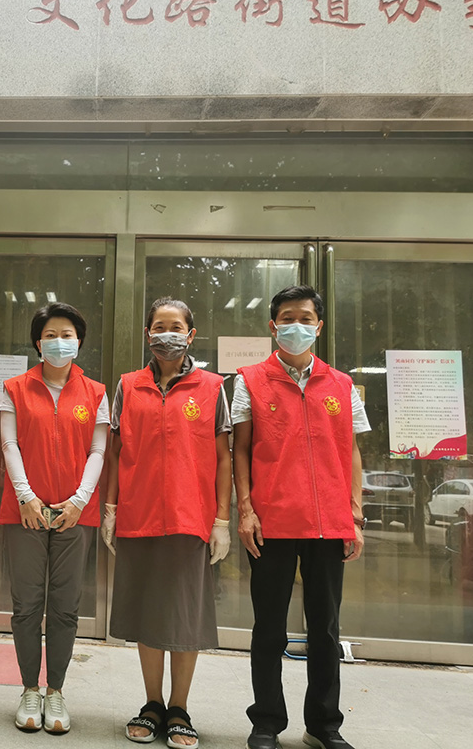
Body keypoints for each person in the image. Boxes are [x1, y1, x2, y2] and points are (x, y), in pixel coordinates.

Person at [232, 285, 370, 749]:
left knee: (325, 629)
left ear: (319, 326)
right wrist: (246, 509)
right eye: (287, 317)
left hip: (328, 522)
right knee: (268, 628)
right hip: (271, 521)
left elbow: (352, 451)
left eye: (305, 318)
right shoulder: (250, 380)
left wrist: (355, 514)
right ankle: (266, 722)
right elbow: (240, 449)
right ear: (273, 326)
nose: (297, 325)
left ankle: (324, 725)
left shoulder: (342, 385)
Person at [102, 297, 233, 747]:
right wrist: (111, 508)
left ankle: (179, 707)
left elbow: (222, 457)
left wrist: (222, 519)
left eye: (176, 327)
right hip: (138, 515)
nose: (167, 334)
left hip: (189, 517)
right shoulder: (128, 385)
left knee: (183, 615)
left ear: (191, 335)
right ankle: (152, 703)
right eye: (159, 326)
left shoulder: (212, 387)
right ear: (147, 334)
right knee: (148, 613)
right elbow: (116, 452)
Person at [0, 303, 110, 734]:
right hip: (24, 512)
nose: (59, 342)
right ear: (37, 342)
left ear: (79, 342)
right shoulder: (14, 388)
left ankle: (56, 691)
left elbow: (98, 450)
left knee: (65, 607)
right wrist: (26, 497)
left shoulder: (96, 392)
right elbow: (9, 445)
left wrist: (79, 501)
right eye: (50, 335)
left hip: (75, 514)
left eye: (67, 335)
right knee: (26, 605)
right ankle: (29, 688)